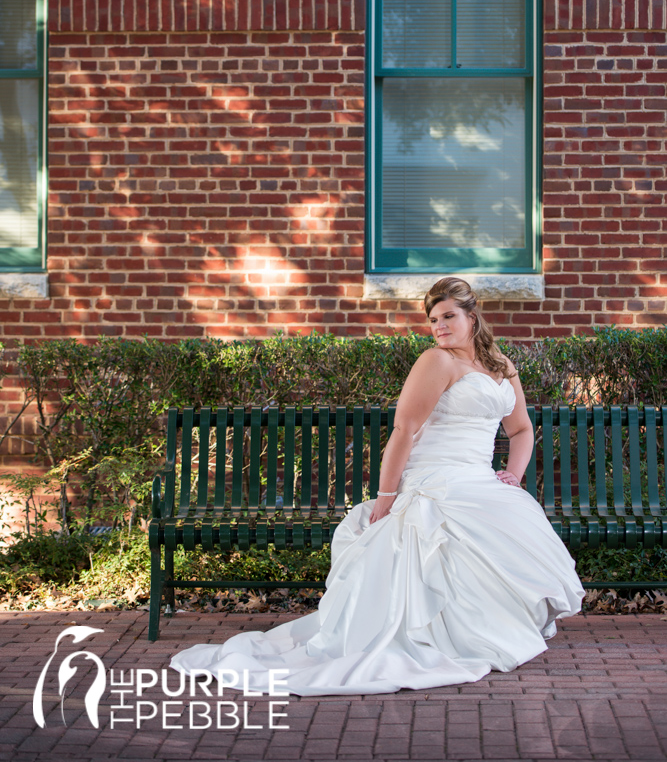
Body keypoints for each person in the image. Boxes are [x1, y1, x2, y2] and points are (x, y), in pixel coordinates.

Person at [170, 276, 584, 696]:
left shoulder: (501, 366)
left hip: (479, 479)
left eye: (447, 316)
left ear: (472, 317)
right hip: (435, 481)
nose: (438, 326)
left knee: (509, 523)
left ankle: (483, 631)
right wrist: (386, 500)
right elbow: (403, 430)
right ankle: (447, 638)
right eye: (433, 319)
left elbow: (521, 429)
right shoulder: (436, 361)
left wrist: (513, 475)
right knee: (443, 537)